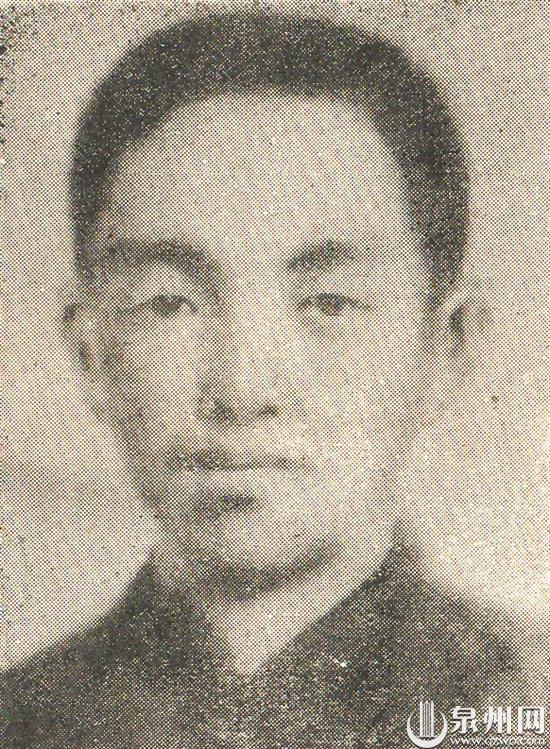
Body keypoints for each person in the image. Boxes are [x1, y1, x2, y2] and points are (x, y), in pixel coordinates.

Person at [3, 8, 521, 748]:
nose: (241, 391)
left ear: (447, 345)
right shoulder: (20, 721)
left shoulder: (523, 704)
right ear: (91, 351)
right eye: (169, 303)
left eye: (329, 303)